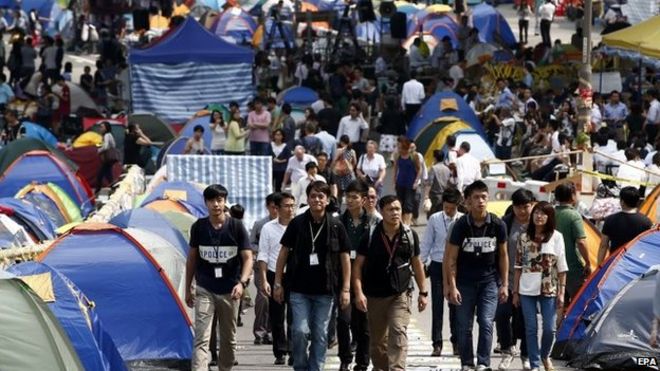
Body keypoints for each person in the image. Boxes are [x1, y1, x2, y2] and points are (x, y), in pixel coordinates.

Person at [273, 181, 351, 371]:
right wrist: (277, 283)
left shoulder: (336, 225)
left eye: (321, 196)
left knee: (320, 334)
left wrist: (346, 289)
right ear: (307, 199)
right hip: (299, 289)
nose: (317, 199)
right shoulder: (297, 223)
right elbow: (283, 252)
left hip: (325, 291)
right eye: (313, 196)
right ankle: (300, 366)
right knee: (299, 331)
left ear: (327, 200)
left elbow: (345, 257)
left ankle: (315, 367)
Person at [353, 195, 428, 371]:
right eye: (390, 209)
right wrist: (358, 293)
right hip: (374, 296)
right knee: (378, 343)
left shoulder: (409, 235)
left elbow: (417, 265)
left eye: (398, 209)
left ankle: (397, 369)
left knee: (398, 332)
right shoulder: (370, 235)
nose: (395, 213)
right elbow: (357, 267)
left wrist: (423, 292)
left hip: (400, 294)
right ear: (381, 211)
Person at [185, 184, 253, 371]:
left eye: (220, 200)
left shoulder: (236, 226)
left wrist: (242, 283)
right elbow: (192, 258)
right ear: (206, 203)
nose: (216, 204)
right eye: (212, 200)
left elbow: (248, 258)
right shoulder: (199, 227)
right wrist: (188, 288)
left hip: (230, 290)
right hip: (204, 288)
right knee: (201, 337)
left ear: (224, 202)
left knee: (228, 340)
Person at [445, 180, 509, 371]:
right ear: (467, 202)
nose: (480, 201)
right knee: (464, 326)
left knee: (486, 321)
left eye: (483, 197)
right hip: (464, 282)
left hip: (489, 282)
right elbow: (451, 259)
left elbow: (504, 256)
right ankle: (466, 363)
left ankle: (483, 362)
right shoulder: (460, 226)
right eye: (476, 197)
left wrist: (504, 284)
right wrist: (452, 286)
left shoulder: (498, 224)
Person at [513, 201, 568, 371]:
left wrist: (561, 292)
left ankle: (545, 356)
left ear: (549, 217)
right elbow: (517, 267)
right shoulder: (523, 237)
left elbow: (562, 267)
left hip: (548, 288)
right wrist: (515, 291)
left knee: (549, 328)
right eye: (536, 212)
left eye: (543, 213)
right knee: (531, 328)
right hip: (526, 288)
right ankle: (535, 363)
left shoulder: (557, 237)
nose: (539, 216)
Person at [333, 180, 377, 371]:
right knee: (343, 320)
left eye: (354, 197)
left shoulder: (374, 222)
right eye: (347, 197)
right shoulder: (337, 222)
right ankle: (345, 358)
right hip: (342, 277)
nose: (349, 201)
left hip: (366, 278)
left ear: (364, 199)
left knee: (363, 323)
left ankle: (362, 361)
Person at [420, 188, 463, 357]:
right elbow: (426, 243)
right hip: (437, 265)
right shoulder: (435, 219)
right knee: (437, 306)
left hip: (456, 267)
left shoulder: (462, 220)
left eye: (452, 208)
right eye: (446, 207)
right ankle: (436, 343)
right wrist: (421, 264)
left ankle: (456, 342)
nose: (449, 211)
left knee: (455, 305)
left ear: (457, 206)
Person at [497, 189, 535, 370]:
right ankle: (506, 350)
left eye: (526, 206)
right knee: (502, 315)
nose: (522, 211)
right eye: (518, 207)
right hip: (507, 280)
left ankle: (526, 355)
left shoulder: (539, 223)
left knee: (527, 319)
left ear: (532, 205)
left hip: (531, 282)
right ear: (513, 207)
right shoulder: (505, 224)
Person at [258, 192, 296, 365]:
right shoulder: (268, 228)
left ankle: (295, 350)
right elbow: (263, 255)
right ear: (277, 208)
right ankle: (280, 351)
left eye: (292, 206)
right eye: (286, 206)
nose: (290, 209)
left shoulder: (299, 225)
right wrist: (265, 280)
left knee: (295, 316)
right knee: (277, 316)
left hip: (296, 275)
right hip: (275, 274)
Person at [251, 193, 281, 347]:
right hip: (262, 265)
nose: (275, 210)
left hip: (279, 267)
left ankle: (271, 332)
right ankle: (259, 331)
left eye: (278, 207)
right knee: (263, 298)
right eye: (272, 207)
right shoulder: (260, 224)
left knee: (276, 301)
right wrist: (263, 248)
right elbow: (251, 244)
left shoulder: (286, 224)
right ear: (268, 207)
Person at [553, 182, 591, 305]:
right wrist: (588, 262)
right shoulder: (574, 215)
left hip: (553, 265)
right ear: (572, 196)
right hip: (572, 266)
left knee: (558, 302)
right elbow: (581, 242)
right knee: (576, 302)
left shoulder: (550, 213)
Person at [598, 187, 653, 264]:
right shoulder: (646, 222)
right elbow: (649, 246)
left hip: (615, 263)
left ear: (622, 202)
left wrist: (599, 266)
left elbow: (603, 245)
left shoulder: (610, 220)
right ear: (638, 202)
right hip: (636, 263)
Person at [392, 136, 422, 226]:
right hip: (400, 182)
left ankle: (407, 224)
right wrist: (394, 181)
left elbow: (419, 170)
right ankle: (400, 223)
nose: (399, 149)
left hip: (410, 183)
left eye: (400, 147)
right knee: (400, 203)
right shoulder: (397, 155)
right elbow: (395, 168)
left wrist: (416, 182)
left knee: (408, 204)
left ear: (406, 147)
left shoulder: (414, 156)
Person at [96, 121, 118, 192]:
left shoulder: (107, 135)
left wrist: (99, 150)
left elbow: (106, 146)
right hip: (108, 159)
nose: (100, 128)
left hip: (108, 158)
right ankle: (114, 188)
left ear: (106, 128)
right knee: (108, 175)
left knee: (100, 174)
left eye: (102, 127)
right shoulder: (108, 135)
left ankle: (97, 191)